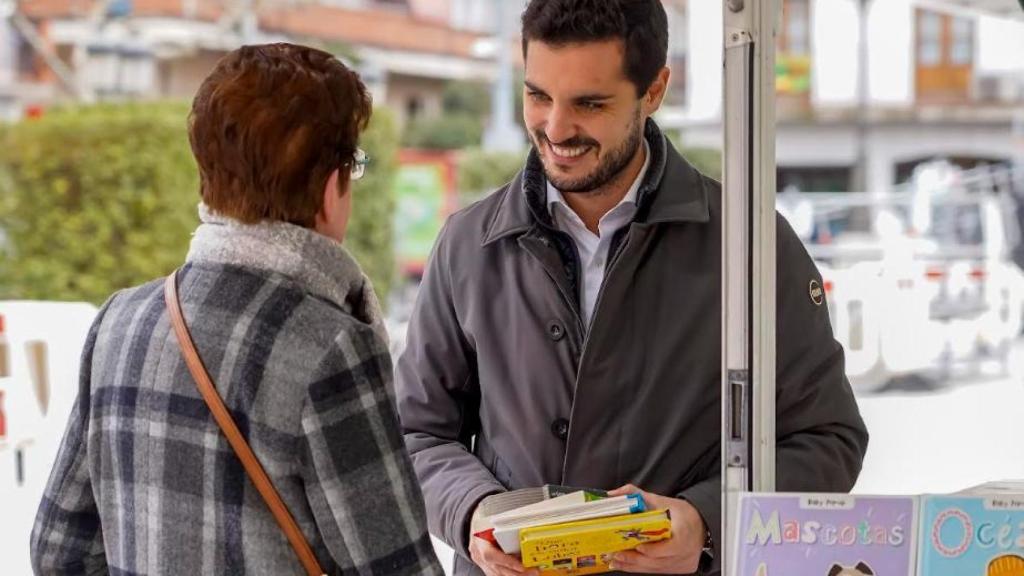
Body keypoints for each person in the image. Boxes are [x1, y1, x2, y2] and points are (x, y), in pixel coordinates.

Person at [394, 1, 869, 575]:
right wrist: (474, 511)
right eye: (538, 95)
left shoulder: (753, 245)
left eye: (589, 104)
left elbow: (827, 438)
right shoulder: (467, 244)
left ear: (655, 90)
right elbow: (416, 434)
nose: (556, 128)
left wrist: (705, 521)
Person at [30, 43, 443, 576]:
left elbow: (56, 551)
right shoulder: (332, 347)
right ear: (328, 186)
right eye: (353, 165)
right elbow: (398, 567)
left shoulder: (119, 322)